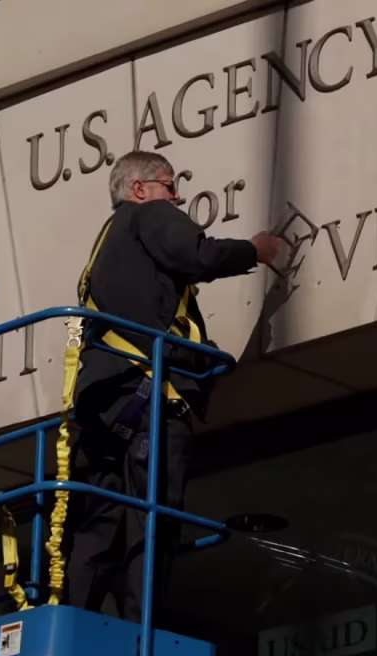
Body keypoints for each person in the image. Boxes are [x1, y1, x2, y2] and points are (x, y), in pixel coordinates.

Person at [65, 150, 285, 625]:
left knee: (103, 520)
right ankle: (139, 639)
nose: (177, 195)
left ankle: (73, 625)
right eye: (169, 185)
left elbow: (87, 328)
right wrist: (255, 250)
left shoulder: (101, 255)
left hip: (106, 403)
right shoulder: (150, 216)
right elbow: (196, 255)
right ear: (140, 189)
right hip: (151, 401)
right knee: (153, 519)